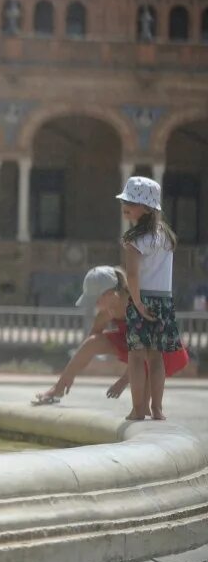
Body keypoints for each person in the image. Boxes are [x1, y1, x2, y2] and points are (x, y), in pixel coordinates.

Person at [31, 266, 188, 406]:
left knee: (143, 402)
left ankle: (149, 412)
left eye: (97, 299)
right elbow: (89, 344)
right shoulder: (106, 313)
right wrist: (71, 374)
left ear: (111, 293)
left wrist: (122, 381)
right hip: (133, 345)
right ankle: (57, 389)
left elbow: (145, 351)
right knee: (92, 342)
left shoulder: (137, 305)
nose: (95, 304)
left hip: (162, 352)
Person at [117, 176, 183, 421]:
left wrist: (137, 303)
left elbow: (132, 275)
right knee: (156, 357)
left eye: (131, 201)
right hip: (163, 300)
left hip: (141, 299)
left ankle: (138, 409)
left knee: (136, 356)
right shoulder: (166, 236)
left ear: (146, 208)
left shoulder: (134, 239)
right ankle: (157, 408)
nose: (125, 204)